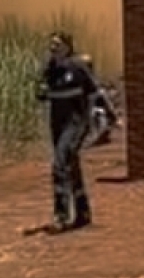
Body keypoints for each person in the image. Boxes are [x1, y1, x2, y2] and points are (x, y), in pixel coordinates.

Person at [36, 31, 101, 231]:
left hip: (76, 122)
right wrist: (42, 90)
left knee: (59, 163)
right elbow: (42, 94)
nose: (53, 48)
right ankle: (83, 212)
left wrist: (94, 117)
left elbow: (94, 93)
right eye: (51, 44)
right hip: (57, 123)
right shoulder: (50, 70)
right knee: (70, 164)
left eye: (57, 44)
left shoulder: (78, 67)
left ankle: (61, 215)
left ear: (67, 47)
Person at [78, 53, 120, 147]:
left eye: (88, 65)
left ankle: (113, 118)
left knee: (102, 96)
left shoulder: (93, 79)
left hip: (94, 106)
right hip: (80, 107)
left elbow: (99, 90)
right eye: (84, 65)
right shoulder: (76, 78)